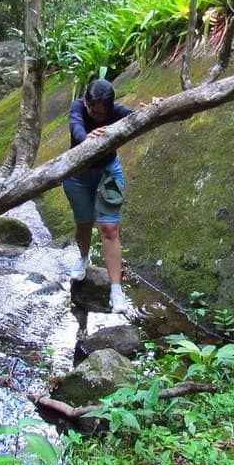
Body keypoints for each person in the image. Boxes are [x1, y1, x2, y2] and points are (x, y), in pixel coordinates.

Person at [63, 78, 161, 313]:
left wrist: (154, 107)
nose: (97, 117)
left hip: (108, 172)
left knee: (109, 229)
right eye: (93, 112)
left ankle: (116, 290)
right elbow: (76, 126)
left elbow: (137, 115)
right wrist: (87, 137)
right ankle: (83, 257)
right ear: (86, 103)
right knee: (84, 223)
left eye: (102, 114)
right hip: (77, 173)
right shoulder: (77, 107)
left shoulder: (115, 111)